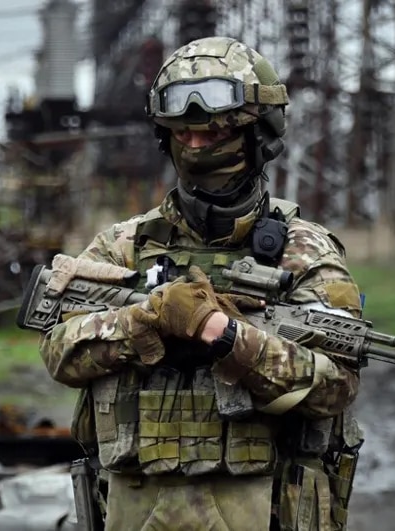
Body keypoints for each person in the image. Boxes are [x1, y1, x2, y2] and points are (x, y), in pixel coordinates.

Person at [38, 36, 365, 531]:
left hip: (263, 505)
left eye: (213, 136)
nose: (196, 148)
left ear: (259, 134)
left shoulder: (306, 253)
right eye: (183, 136)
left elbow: (335, 386)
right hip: (135, 507)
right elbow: (59, 349)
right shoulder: (123, 246)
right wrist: (145, 320)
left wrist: (226, 336)